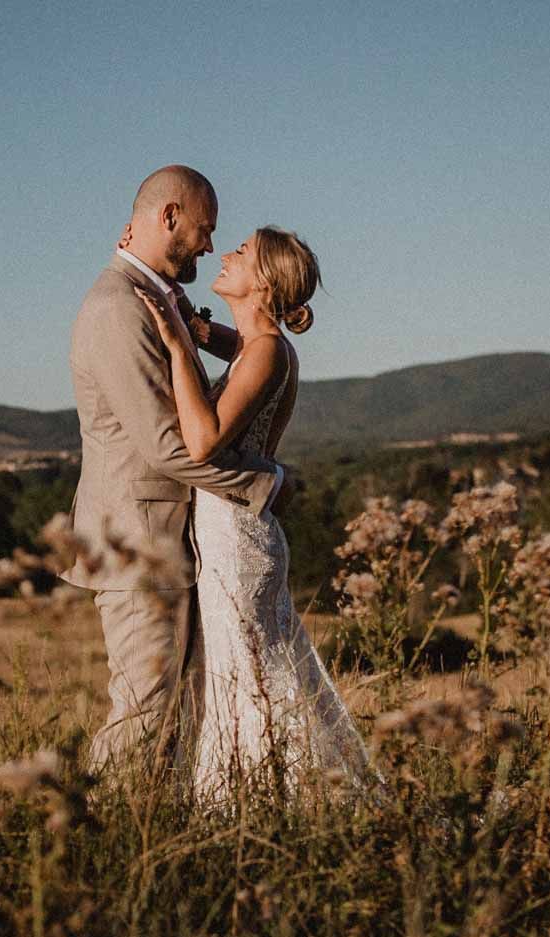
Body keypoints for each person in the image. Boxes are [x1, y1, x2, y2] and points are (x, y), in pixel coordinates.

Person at [58, 165, 297, 775]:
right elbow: (170, 446)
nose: (213, 246)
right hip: (137, 542)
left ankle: (157, 838)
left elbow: (253, 347)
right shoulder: (118, 305)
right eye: (206, 228)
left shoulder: (160, 298)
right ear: (170, 217)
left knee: (180, 715)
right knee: (144, 711)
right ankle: (103, 843)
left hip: (177, 541)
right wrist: (261, 483)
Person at [131, 225, 374, 800]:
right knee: (247, 671)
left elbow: (203, 440)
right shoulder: (259, 344)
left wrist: (172, 344)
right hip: (234, 532)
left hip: (237, 540)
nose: (227, 253)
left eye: (241, 252)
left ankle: (279, 797)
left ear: (262, 281)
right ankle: (266, 794)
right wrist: (190, 321)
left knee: (250, 674)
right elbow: (224, 340)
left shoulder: (266, 351)